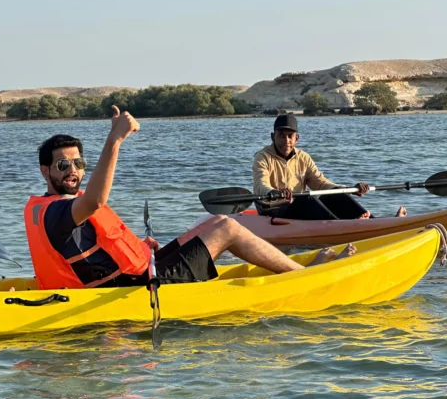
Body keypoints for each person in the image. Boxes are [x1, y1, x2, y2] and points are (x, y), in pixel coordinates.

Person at [23, 106, 354, 290]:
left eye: (78, 163)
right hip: (135, 287)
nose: (73, 171)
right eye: (62, 165)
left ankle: (292, 268)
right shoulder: (55, 212)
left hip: (141, 270)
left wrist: (141, 246)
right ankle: (302, 276)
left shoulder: (57, 207)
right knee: (225, 227)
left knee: (208, 223)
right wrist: (115, 139)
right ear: (45, 171)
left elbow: (91, 245)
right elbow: (94, 202)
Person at [252, 114, 406, 220]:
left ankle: (374, 222)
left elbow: (321, 183)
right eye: (281, 135)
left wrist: (348, 188)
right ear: (273, 136)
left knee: (333, 194)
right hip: (274, 210)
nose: (286, 141)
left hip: (297, 206)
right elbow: (261, 185)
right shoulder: (263, 157)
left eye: (290, 136)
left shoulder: (303, 157)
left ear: (296, 138)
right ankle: (346, 226)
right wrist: (275, 192)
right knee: (307, 198)